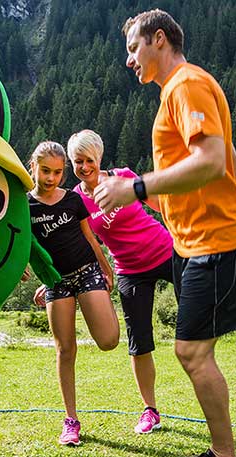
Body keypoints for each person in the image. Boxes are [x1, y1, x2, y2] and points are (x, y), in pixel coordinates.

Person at [93, 9, 236, 457]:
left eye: (133, 49)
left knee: (192, 352)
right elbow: (230, 162)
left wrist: (134, 190)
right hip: (201, 240)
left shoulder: (184, 86)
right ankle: (223, 456)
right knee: (193, 350)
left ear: (158, 39)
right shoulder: (179, 91)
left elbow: (213, 161)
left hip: (213, 242)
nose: (129, 60)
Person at [66, 129, 174, 434]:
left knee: (202, 311)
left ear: (99, 158)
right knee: (139, 343)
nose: (84, 166)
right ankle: (150, 410)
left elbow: (160, 205)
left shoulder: (123, 176)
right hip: (130, 270)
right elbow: (85, 243)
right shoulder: (76, 201)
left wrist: (186, 234)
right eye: (77, 161)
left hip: (166, 252)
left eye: (89, 159)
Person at [27, 141, 120, 446]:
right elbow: (19, 245)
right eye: (45, 171)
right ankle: (71, 420)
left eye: (56, 172)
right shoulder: (24, 206)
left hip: (88, 272)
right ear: (33, 166)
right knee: (65, 350)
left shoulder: (72, 201)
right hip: (57, 283)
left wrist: (106, 268)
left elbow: (89, 237)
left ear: (62, 172)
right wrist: (24, 271)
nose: (50, 178)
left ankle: (103, 306)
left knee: (108, 341)